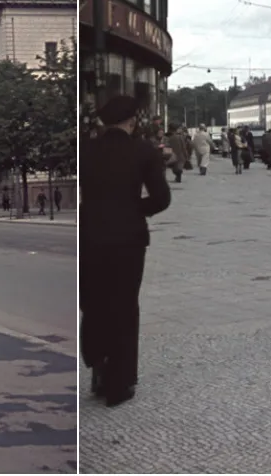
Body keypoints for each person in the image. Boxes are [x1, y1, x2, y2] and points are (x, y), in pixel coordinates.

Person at [80, 95, 171, 407]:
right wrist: (133, 209)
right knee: (124, 306)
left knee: (93, 302)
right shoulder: (143, 151)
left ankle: (97, 366)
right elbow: (161, 198)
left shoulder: (85, 149)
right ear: (133, 120)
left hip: (89, 236)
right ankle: (119, 385)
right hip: (127, 239)